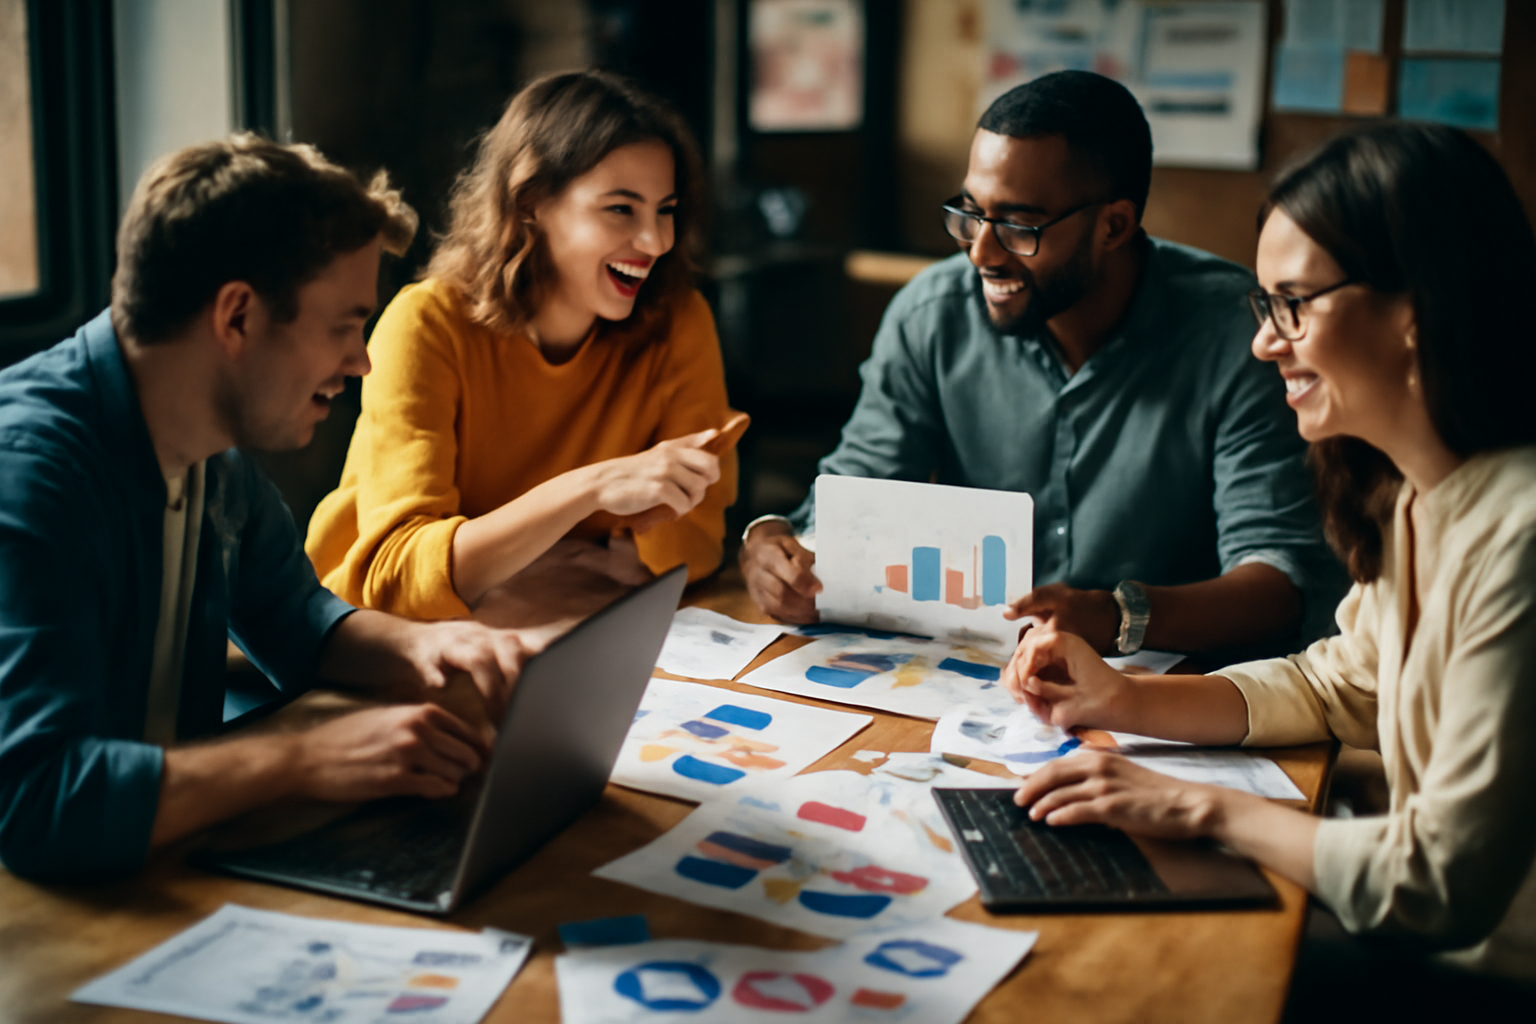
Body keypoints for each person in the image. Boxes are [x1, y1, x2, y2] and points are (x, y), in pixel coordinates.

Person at [1005, 123, 1536, 1011]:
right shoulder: (1418, 497)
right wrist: (1123, 700)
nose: (1264, 343)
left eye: (1293, 303)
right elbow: (1335, 686)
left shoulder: (1518, 534)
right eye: (1265, 306)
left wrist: (1195, 807)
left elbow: (1435, 884)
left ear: (1414, 307)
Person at [0, 135, 534, 881]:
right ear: (238, 317)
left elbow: (297, 619)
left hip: (162, 868)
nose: (362, 361)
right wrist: (303, 759)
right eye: (344, 326)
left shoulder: (212, 454)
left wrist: (426, 648)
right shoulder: (30, 472)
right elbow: (37, 800)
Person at [740, 71, 1344, 658]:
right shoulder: (931, 316)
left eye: (1018, 225)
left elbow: (1281, 581)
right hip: (975, 678)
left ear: (1114, 225)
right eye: (971, 213)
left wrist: (1119, 617)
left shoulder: (1239, 336)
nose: (982, 252)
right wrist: (770, 541)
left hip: (1174, 686)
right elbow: (854, 499)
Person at [305, 71, 739, 621]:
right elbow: (399, 574)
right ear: (531, 201)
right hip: (369, 637)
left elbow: (696, 544)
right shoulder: (425, 325)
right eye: (621, 209)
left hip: (570, 619)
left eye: (666, 210)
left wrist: (504, 561)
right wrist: (592, 490)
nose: (656, 241)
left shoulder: (678, 321)